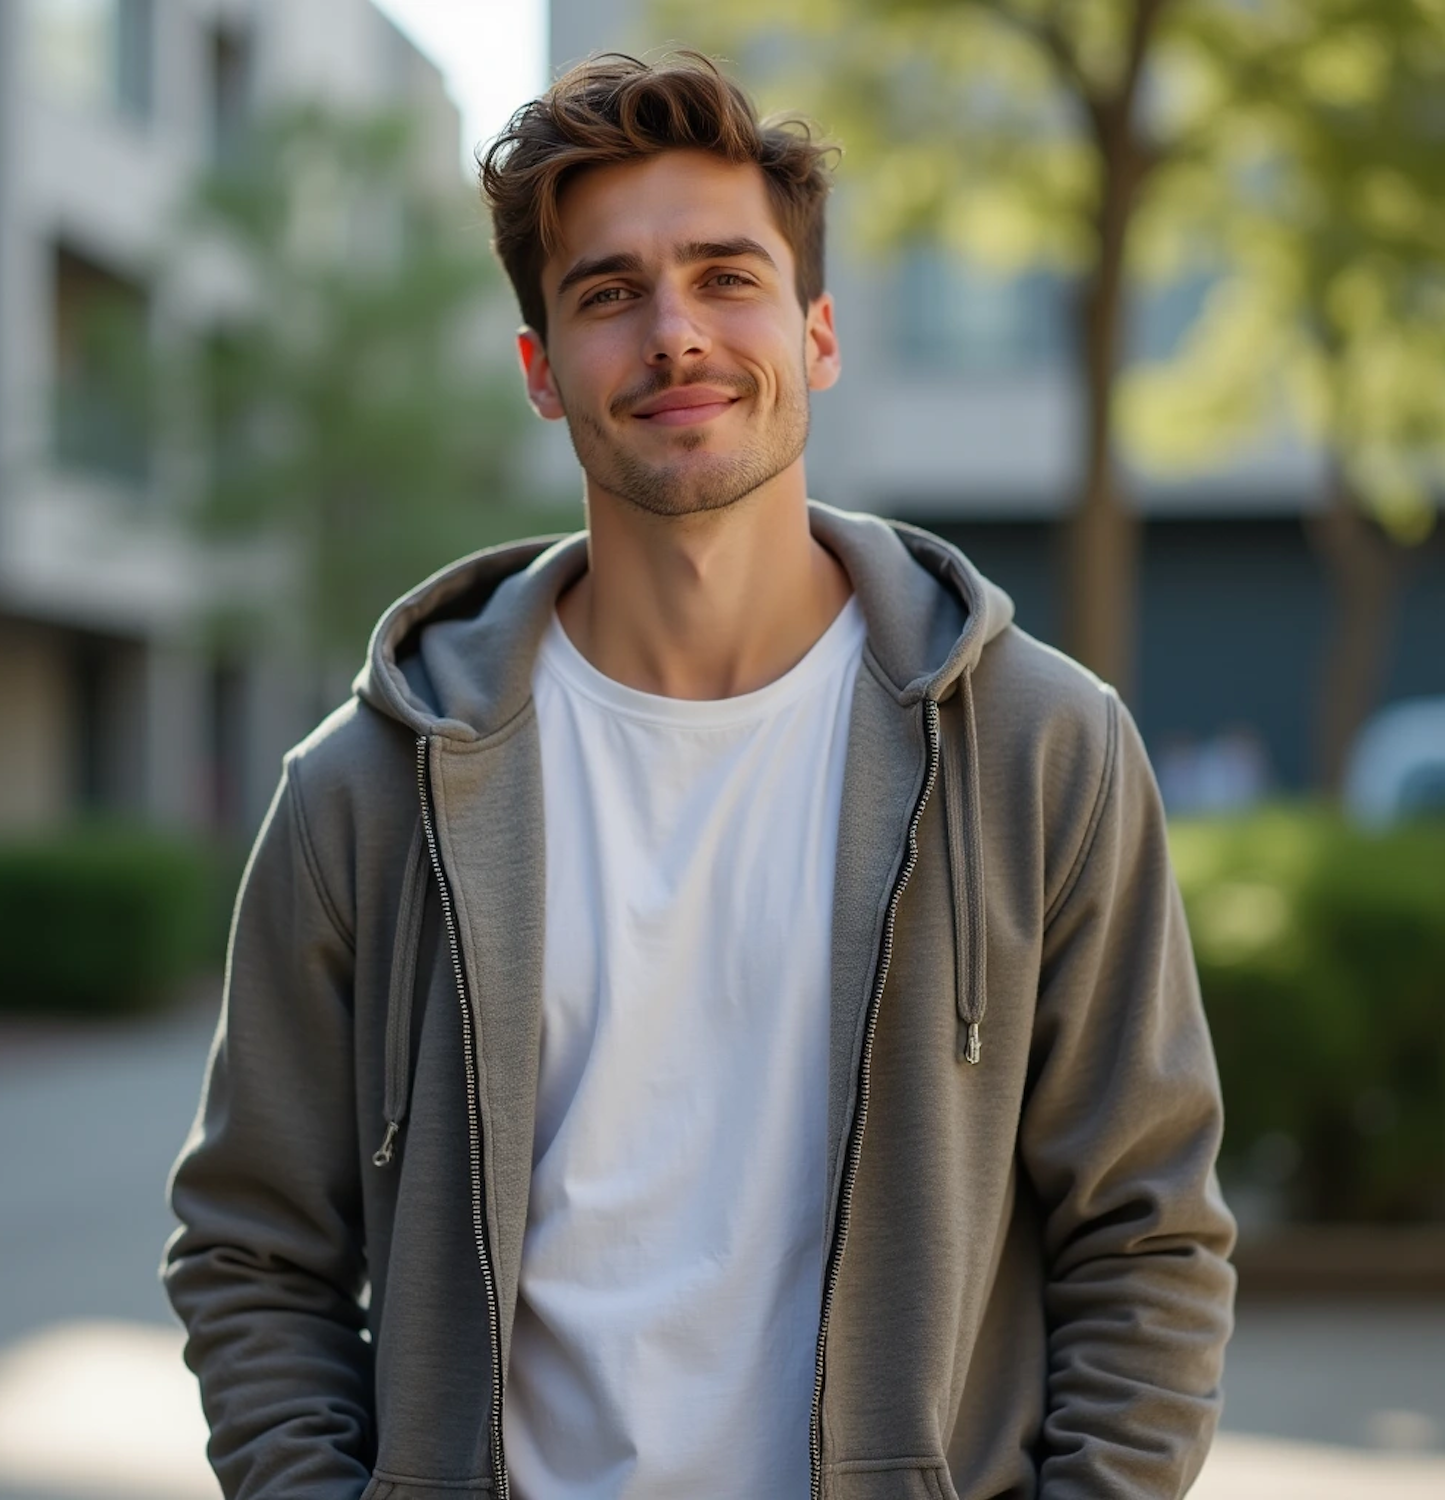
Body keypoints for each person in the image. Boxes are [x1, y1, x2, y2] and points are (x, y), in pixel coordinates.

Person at [163, 51, 1236, 1500]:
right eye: (608, 294)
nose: (676, 335)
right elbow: (255, 1247)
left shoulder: (1044, 750)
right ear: (543, 372)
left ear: (821, 332)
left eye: (727, 277)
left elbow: (1148, 1234)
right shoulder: (365, 788)